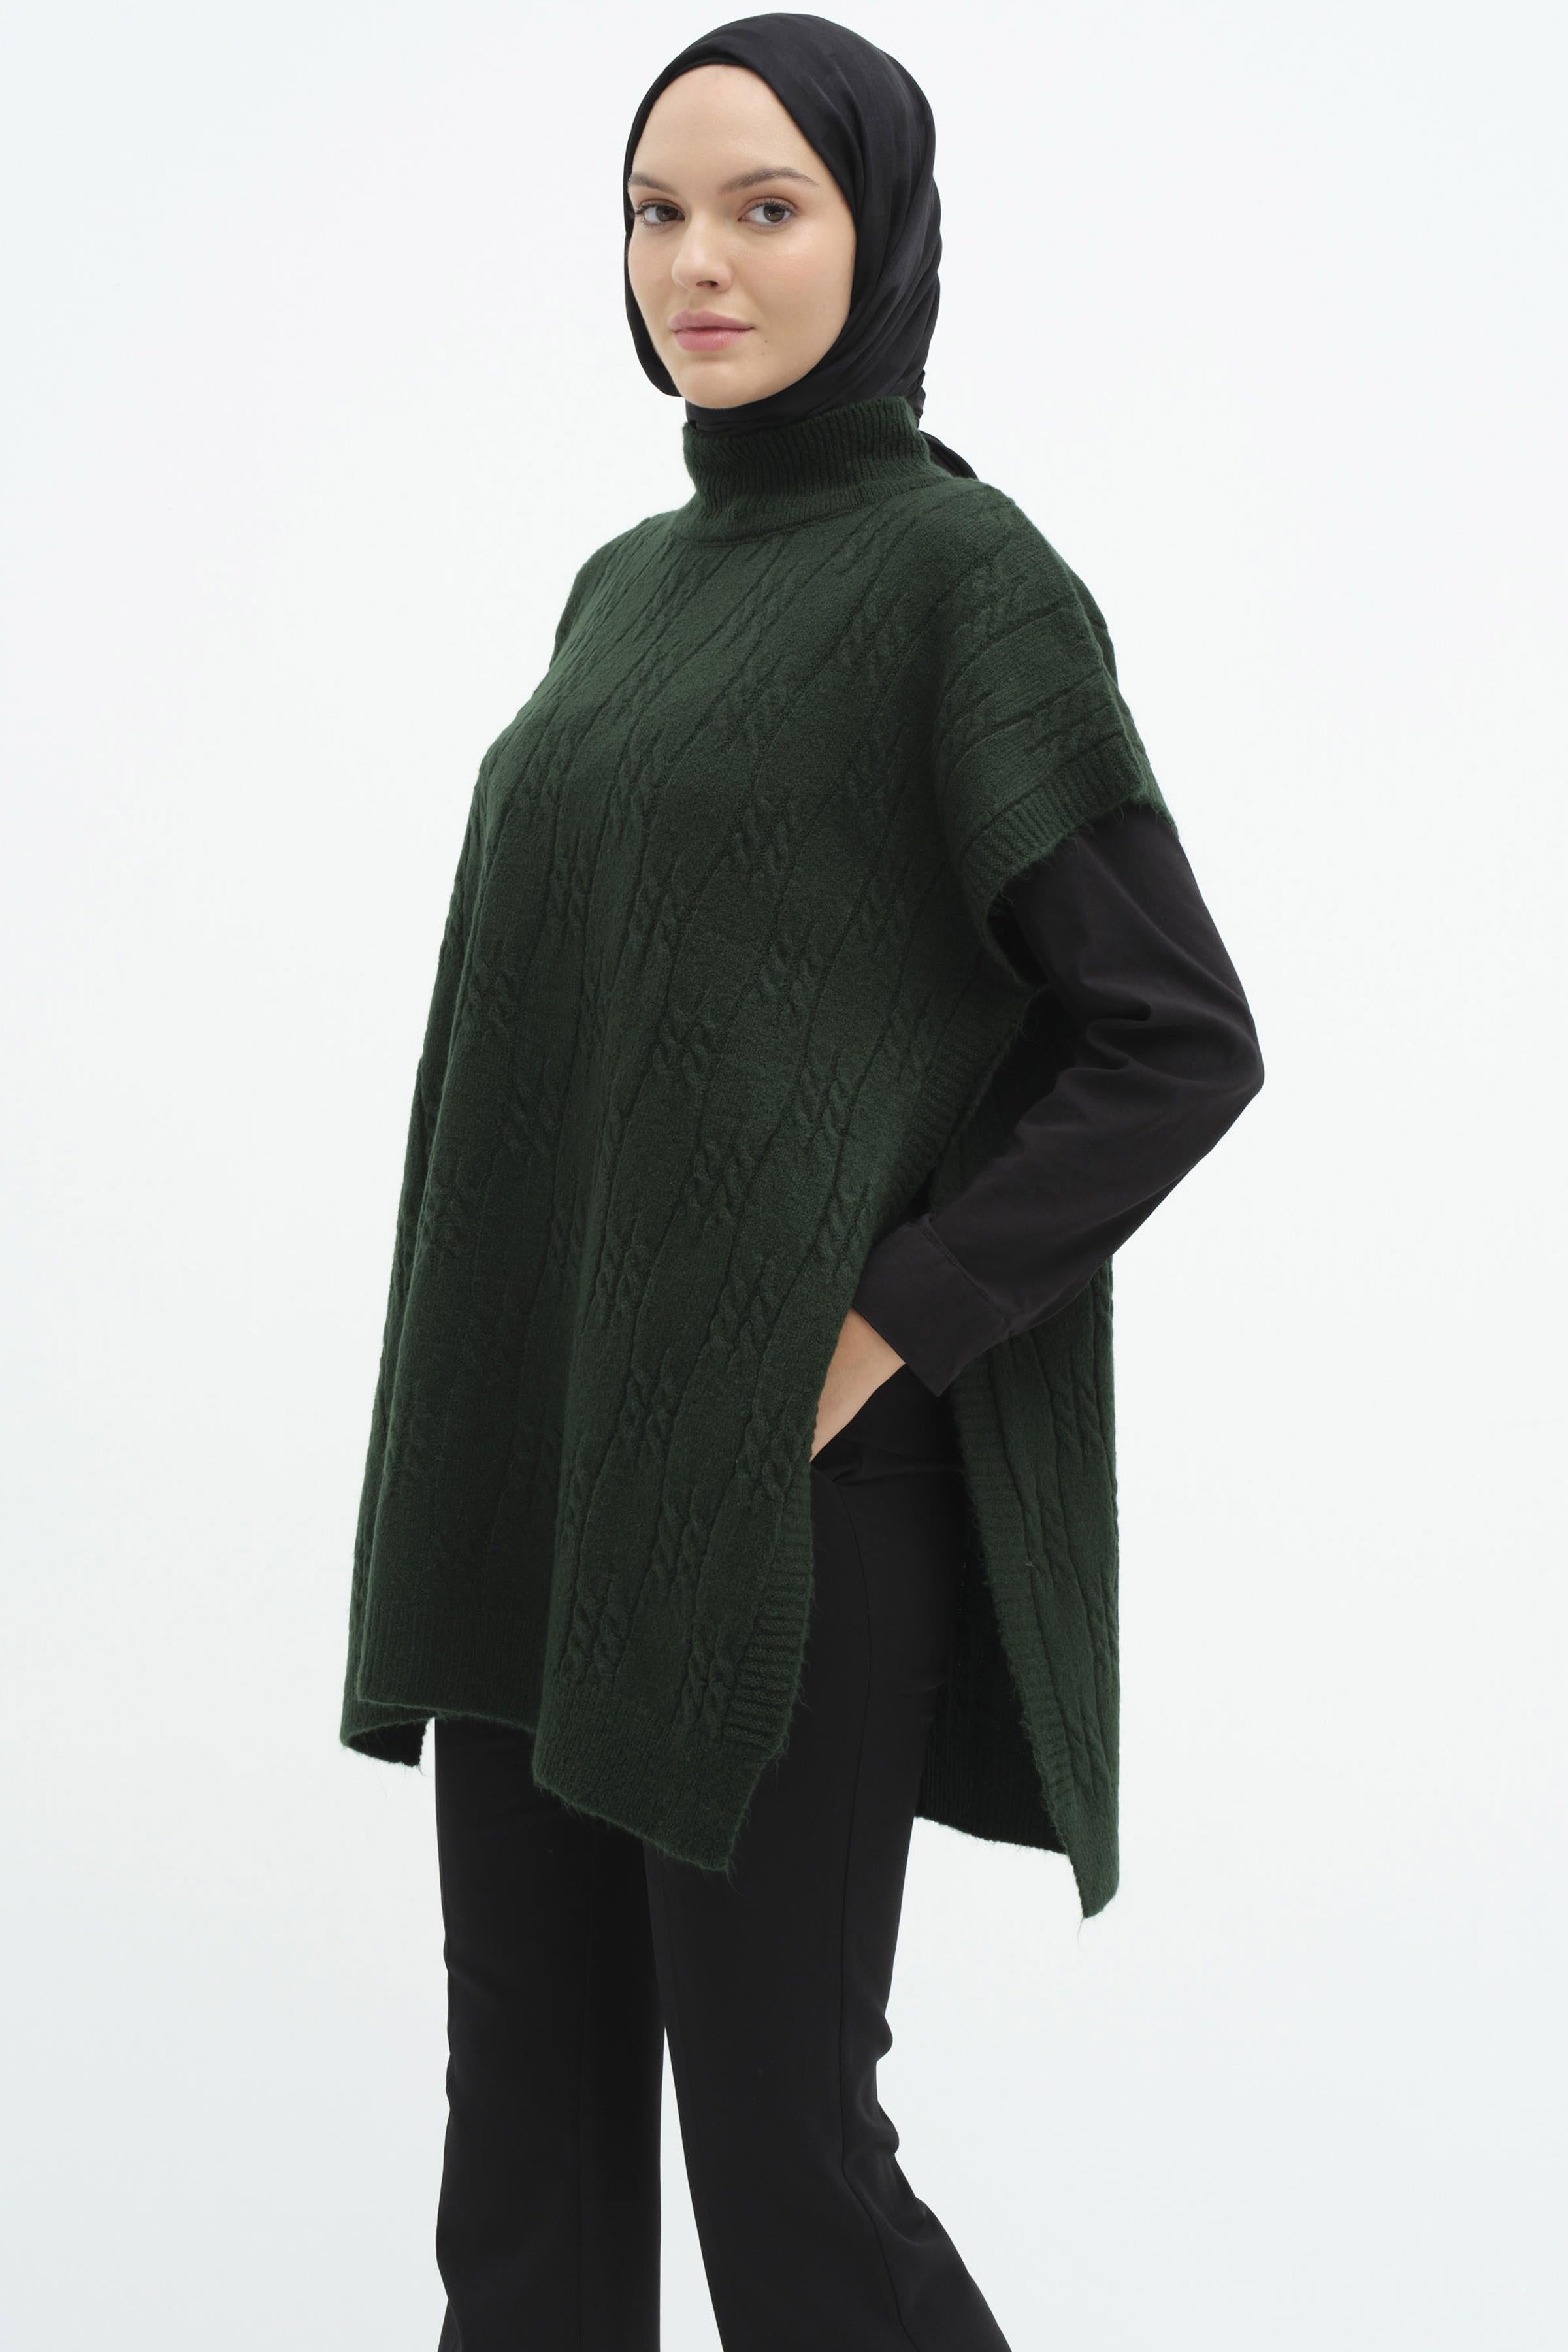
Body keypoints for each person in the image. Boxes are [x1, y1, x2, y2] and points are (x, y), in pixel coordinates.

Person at [338, 15, 1264, 2346]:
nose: (700, 264)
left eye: (768, 209)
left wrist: (888, 1324)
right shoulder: (621, 591)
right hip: (550, 1470)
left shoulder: (967, 584)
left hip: (787, 1492)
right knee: (526, 2146)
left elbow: (1174, 1033)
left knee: (787, 2172)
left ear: (884, 231)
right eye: (657, 213)